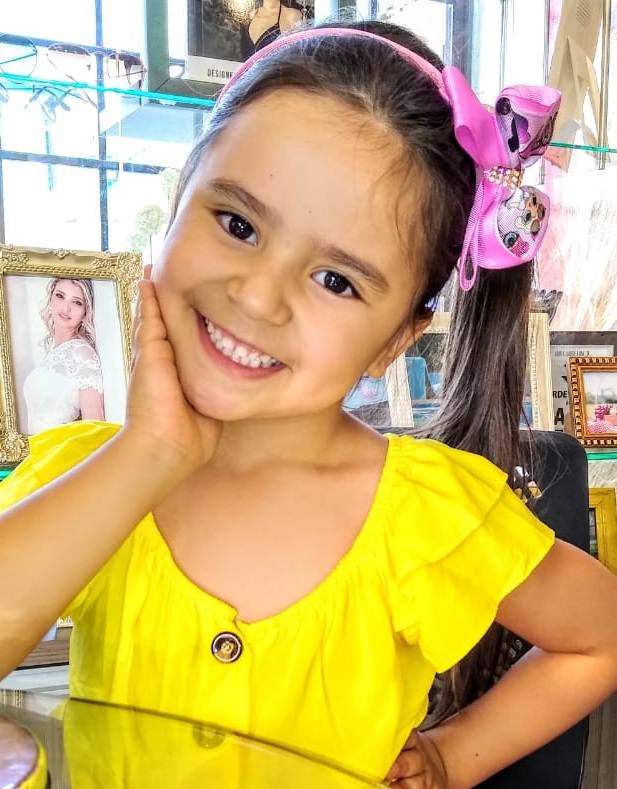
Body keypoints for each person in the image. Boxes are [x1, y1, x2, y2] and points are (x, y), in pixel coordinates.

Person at [2, 20, 617, 789]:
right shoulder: (93, 473)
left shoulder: (423, 512)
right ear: (176, 204)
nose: (258, 296)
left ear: (397, 338)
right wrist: (148, 454)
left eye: (336, 281)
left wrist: (452, 754)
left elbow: (599, 634)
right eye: (237, 224)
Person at [22, 277, 105, 434]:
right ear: (51, 298)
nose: (66, 308)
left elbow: (95, 426)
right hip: (38, 446)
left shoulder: (82, 354)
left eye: (77, 302)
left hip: (59, 447)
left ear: (85, 311)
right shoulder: (54, 352)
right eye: (60, 296)